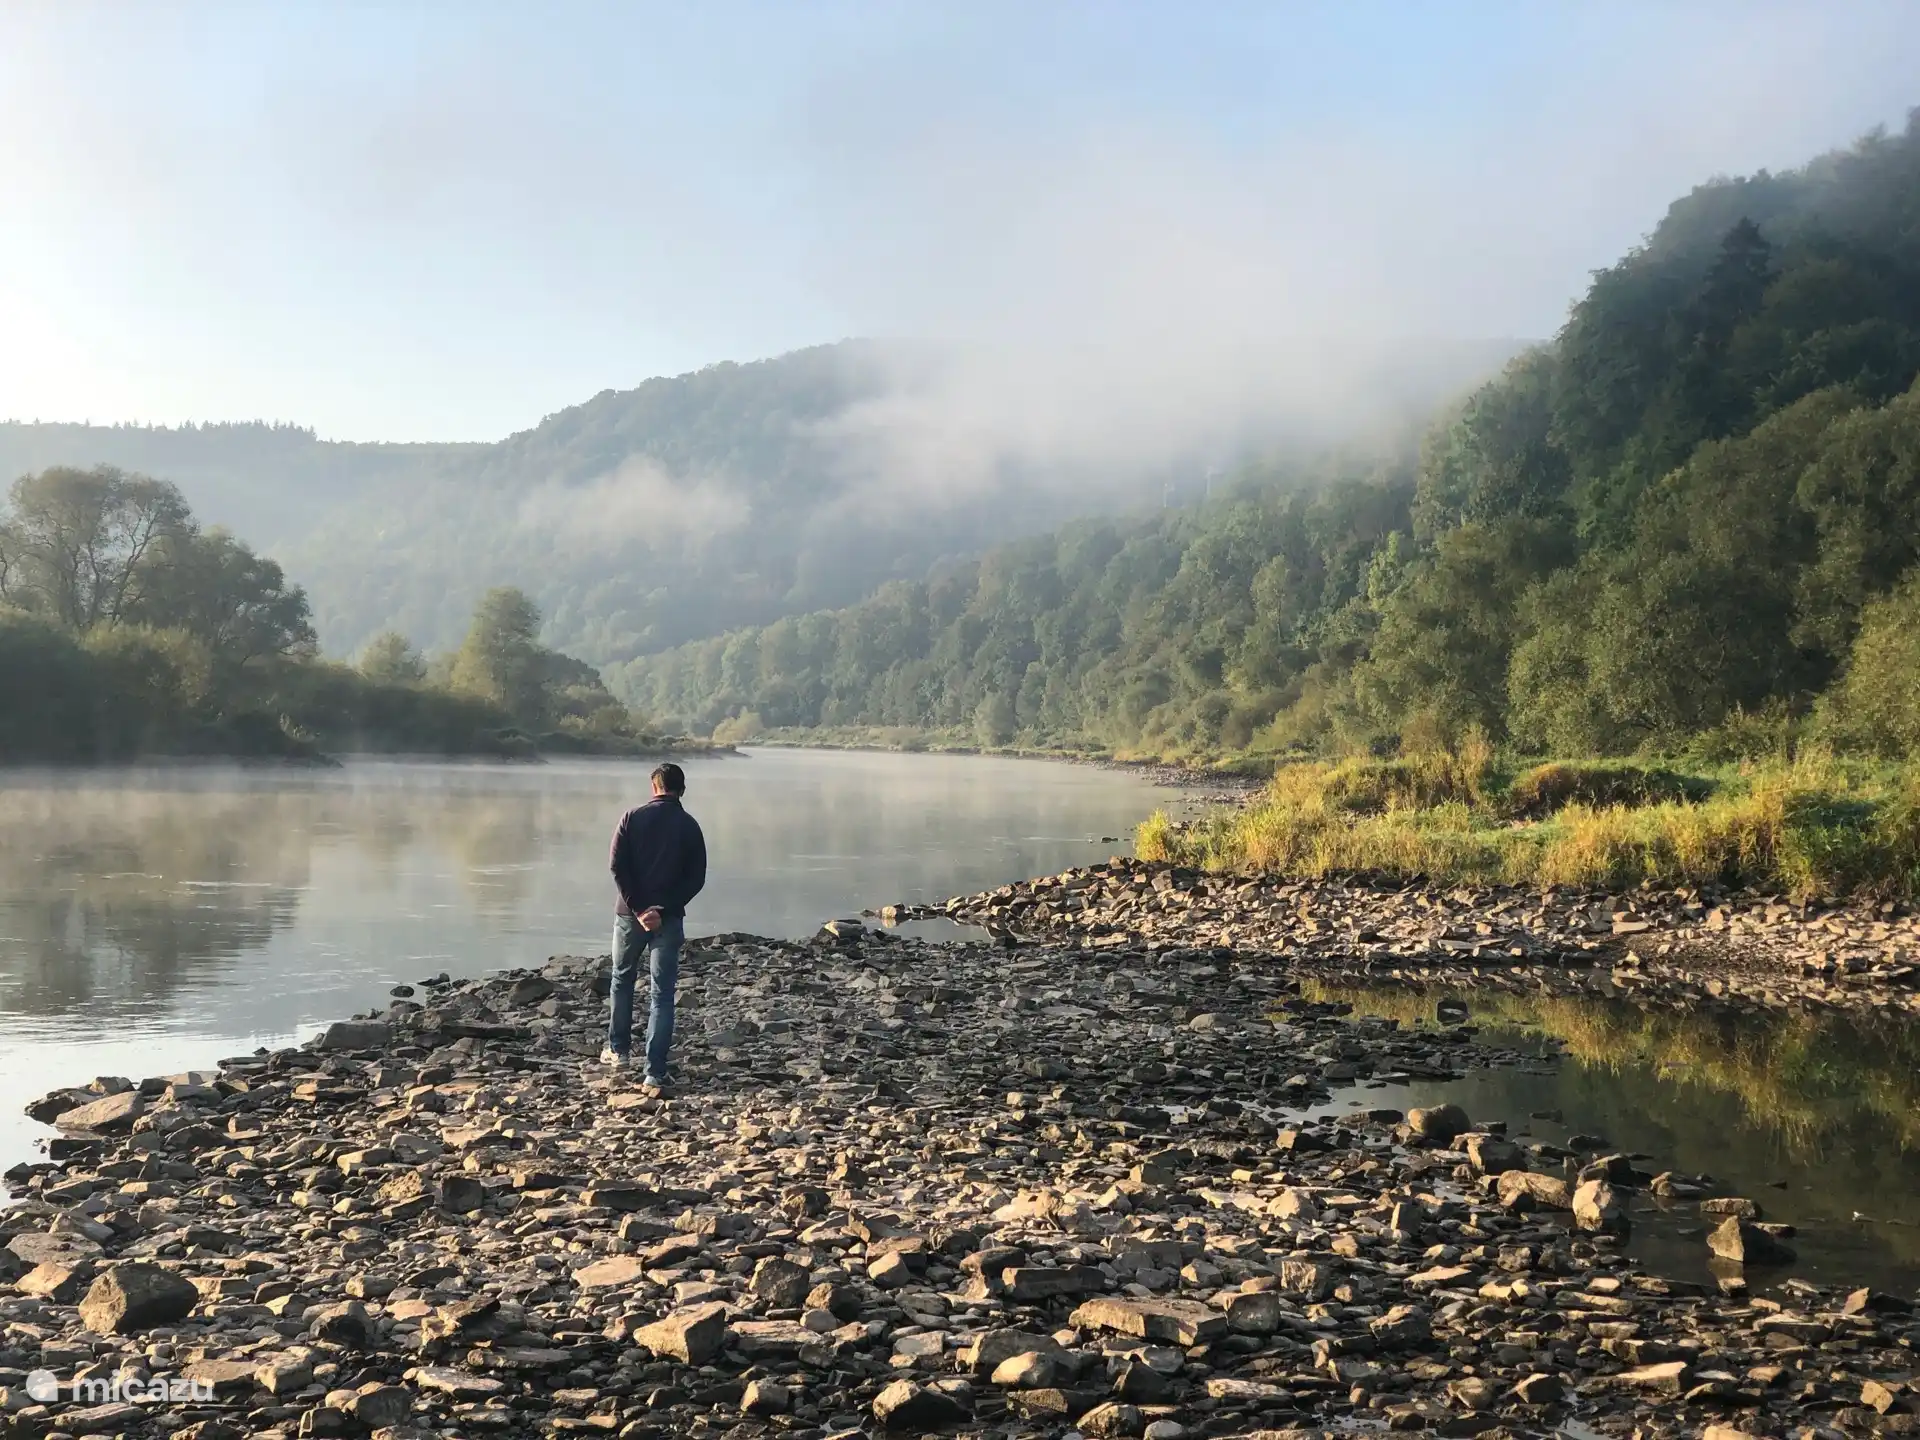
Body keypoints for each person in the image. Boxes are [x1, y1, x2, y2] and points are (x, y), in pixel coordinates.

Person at [604, 762, 707, 1091]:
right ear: (682, 790)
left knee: (622, 979)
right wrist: (662, 908)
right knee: (662, 995)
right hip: (669, 917)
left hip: (629, 915)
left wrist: (637, 907)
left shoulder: (631, 818)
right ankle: (654, 1071)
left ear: (654, 787)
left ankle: (619, 1051)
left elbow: (617, 866)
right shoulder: (690, 826)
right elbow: (696, 879)